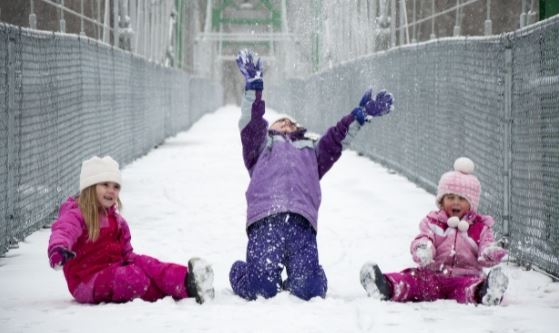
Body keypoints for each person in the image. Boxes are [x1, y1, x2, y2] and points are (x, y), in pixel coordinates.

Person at [229, 49, 394, 301]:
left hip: (301, 223)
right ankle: (242, 272)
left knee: (310, 290)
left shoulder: (312, 153)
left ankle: (310, 276)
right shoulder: (259, 149)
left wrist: (358, 118)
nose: (286, 125)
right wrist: (254, 87)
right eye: (280, 122)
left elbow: (336, 139)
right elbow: (251, 121)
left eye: (291, 123)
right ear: (270, 129)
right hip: (266, 221)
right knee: (261, 288)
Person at [47, 156, 215, 304]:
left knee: (148, 265)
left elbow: (127, 254)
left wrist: (145, 265)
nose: (111, 190)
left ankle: (187, 281)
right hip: (86, 281)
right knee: (134, 277)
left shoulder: (118, 222)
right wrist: (58, 250)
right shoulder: (77, 214)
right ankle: (179, 291)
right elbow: (63, 230)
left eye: (116, 186)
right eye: (105, 184)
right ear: (90, 187)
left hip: (112, 269)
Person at [360, 157, 509, 306]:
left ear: (471, 204)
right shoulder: (433, 221)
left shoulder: (480, 227)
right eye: (450, 197)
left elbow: (485, 250)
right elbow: (423, 237)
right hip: (433, 275)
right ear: (442, 200)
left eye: (462, 199)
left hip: (464, 276)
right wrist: (423, 248)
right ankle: (385, 286)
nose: (455, 202)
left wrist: (492, 252)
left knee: (468, 289)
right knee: (412, 281)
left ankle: (486, 292)